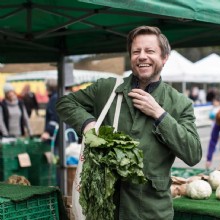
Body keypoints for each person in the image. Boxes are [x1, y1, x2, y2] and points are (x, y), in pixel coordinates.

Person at [56, 25, 202, 220]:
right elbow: (65, 103)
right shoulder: (107, 89)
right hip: (105, 210)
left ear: (164, 57)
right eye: (136, 51)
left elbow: (193, 154)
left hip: (152, 213)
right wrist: (88, 124)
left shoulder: (179, 103)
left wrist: (159, 114)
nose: (142, 56)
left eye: (150, 51)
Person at [41, 78, 59, 151]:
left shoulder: (54, 99)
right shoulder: (59, 96)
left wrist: (48, 131)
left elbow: (54, 117)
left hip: (57, 137)